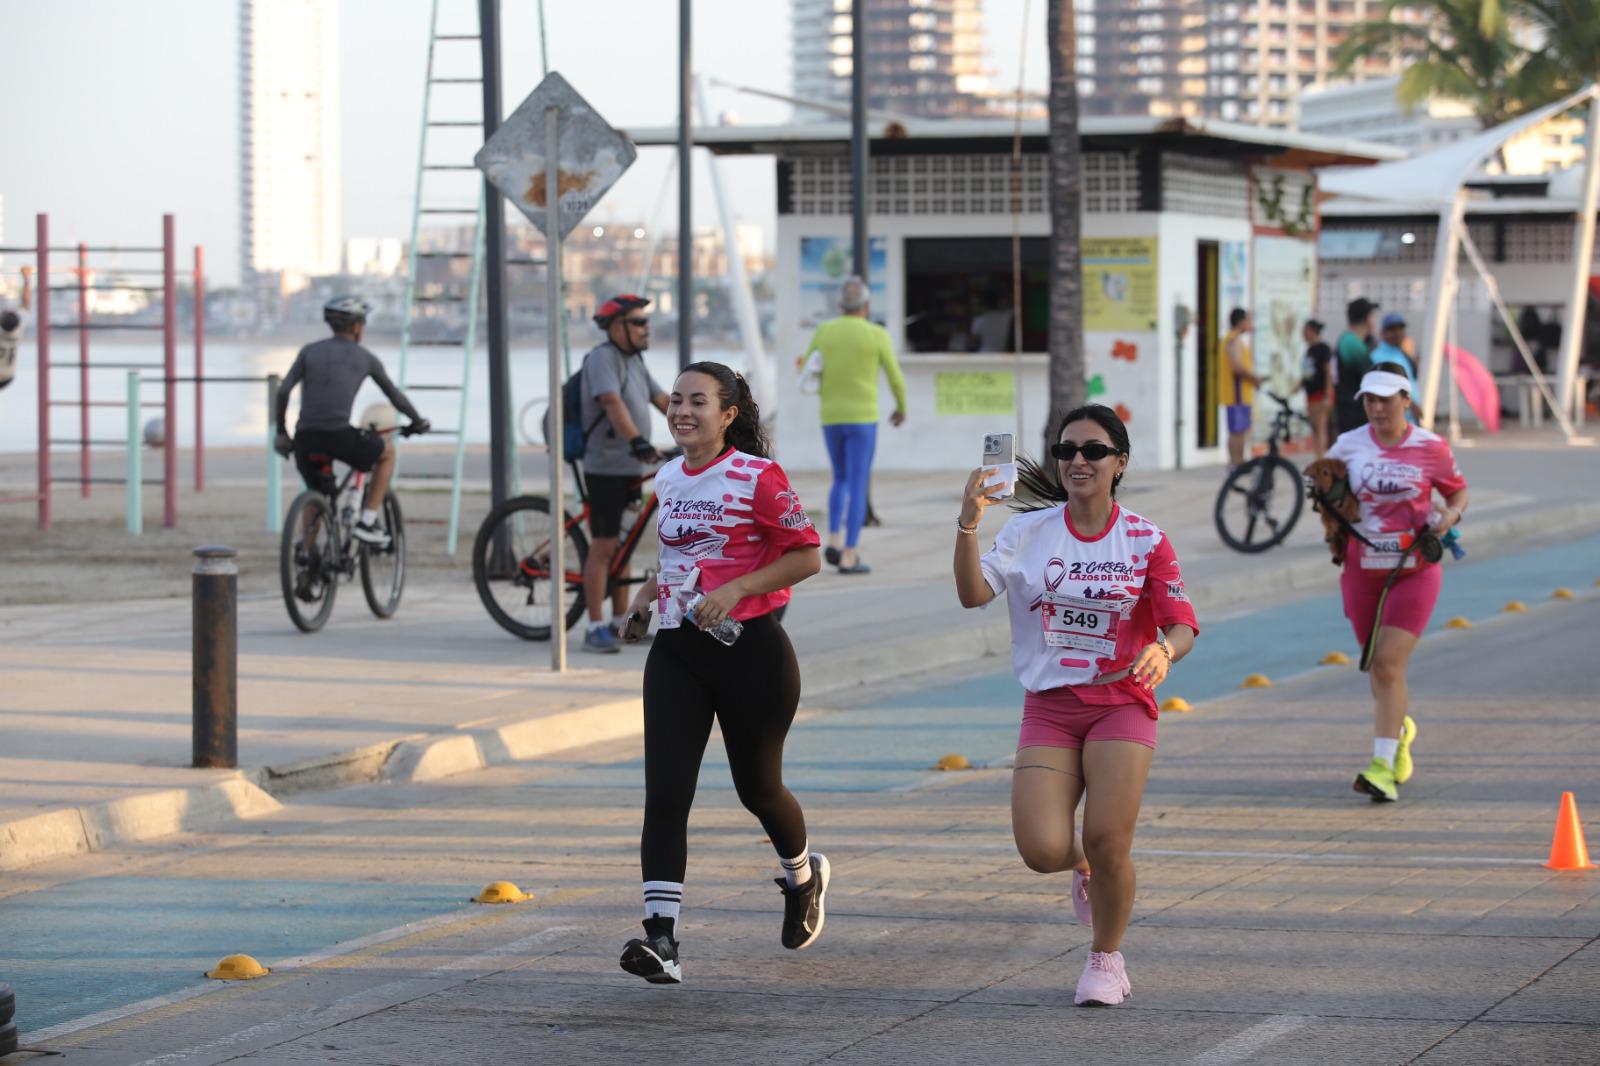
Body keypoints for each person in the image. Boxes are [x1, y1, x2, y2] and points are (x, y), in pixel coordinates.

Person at [953, 404, 1198, 1007]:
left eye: (1092, 451)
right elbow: (971, 595)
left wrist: (1164, 651)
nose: (1077, 461)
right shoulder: (1025, 533)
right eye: (1066, 451)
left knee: (1111, 839)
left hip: (1121, 700)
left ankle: (1105, 958)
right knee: (1040, 850)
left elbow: (1183, 623)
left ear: (1120, 463)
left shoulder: (1145, 538)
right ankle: (1085, 865)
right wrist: (967, 526)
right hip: (1051, 706)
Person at [615, 361, 825, 986]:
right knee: (666, 793)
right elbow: (678, 559)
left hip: (751, 652)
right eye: (675, 400)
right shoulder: (670, 475)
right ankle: (662, 939)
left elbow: (807, 555)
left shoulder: (759, 477)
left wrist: (737, 591)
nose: (681, 411)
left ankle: (804, 877)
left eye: (697, 401)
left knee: (757, 790)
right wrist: (642, 601)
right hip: (678, 651)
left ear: (728, 414)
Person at [1326, 370, 1468, 804]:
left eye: (1386, 399)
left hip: (1414, 568)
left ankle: (1383, 767)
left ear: (1406, 400)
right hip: (1361, 569)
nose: (1377, 407)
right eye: (1369, 399)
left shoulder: (1430, 447)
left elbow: (1458, 492)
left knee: (1387, 664)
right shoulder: (1348, 445)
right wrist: (1328, 502)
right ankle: (1399, 728)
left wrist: (1449, 517)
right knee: (1376, 666)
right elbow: (1325, 485)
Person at [274, 296, 428, 550]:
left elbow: (282, 392)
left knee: (317, 493)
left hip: (304, 437)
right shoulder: (365, 357)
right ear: (357, 327)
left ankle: (305, 558)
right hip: (338, 435)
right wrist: (417, 420)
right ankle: (367, 521)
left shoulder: (309, 351)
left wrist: (281, 433)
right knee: (386, 453)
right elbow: (394, 396)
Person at [577, 294, 671, 654]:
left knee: (625, 542)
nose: (647, 328)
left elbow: (662, 399)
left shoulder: (635, 361)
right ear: (617, 327)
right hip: (605, 466)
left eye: (646, 322)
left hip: (630, 466)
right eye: (638, 322)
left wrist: (696, 428)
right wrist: (637, 441)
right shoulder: (603, 358)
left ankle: (620, 621)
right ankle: (595, 626)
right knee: (603, 546)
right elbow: (611, 403)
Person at [799, 276, 907, 574]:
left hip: (831, 416)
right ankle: (849, 554)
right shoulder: (877, 334)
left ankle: (832, 538)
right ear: (867, 305)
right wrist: (901, 408)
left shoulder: (824, 330)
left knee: (839, 479)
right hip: (863, 418)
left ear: (839, 305)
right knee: (858, 483)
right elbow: (895, 377)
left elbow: (806, 366)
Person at [1219, 307, 1261, 468]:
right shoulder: (1234, 340)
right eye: (1248, 320)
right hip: (1237, 393)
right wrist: (1254, 378)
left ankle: (1236, 462)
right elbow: (1236, 367)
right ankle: (1236, 462)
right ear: (1241, 321)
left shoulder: (1231, 339)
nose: (1250, 324)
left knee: (1238, 430)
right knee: (1237, 431)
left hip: (1239, 393)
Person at [1335, 297, 1379, 432]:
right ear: (1367, 318)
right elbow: (1371, 377)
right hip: (1354, 414)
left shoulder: (1352, 341)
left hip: (1353, 412)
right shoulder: (1351, 343)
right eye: (1373, 316)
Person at [1299, 318, 1335, 457]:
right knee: (1314, 427)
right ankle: (1318, 455)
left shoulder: (1323, 348)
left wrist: (1328, 394)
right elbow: (1308, 374)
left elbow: (1328, 372)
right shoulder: (1309, 349)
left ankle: (1321, 458)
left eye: (1305, 331)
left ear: (1312, 331)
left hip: (1321, 394)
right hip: (1311, 394)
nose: (1303, 334)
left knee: (1321, 427)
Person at [0, 266, 33, 393]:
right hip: (8, 377)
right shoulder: (17, 330)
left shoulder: (17, 328)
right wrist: (26, 279)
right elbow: (25, 302)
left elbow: (25, 303)